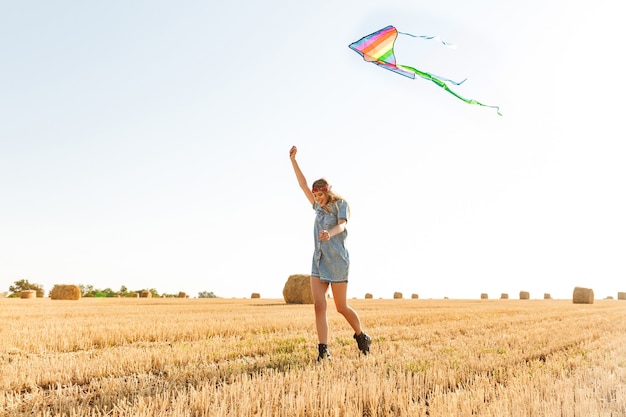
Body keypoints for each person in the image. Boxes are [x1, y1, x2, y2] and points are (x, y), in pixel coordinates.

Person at [289, 145, 371, 361]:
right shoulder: (317, 207)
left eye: (319, 194)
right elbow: (302, 184)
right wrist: (293, 160)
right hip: (318, 261)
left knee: (341, 307)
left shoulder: (340, 205)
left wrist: (329, 233)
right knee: (319, 306)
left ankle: (362, 336)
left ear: (327, 191)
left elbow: (343, 226)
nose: (316, 198)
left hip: (337, 262)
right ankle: (323, 350)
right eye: (314, 195)